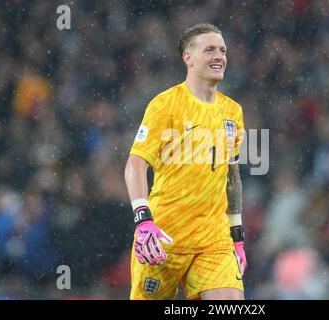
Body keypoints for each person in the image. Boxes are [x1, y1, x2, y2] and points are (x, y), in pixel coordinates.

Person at [124, 23, 246, 300]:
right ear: (188, 58)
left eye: (223, 50)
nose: (219, 56)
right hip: (164, 238)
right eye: (210, 49)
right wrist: (143, 220)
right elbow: (135, 165)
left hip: (213, 241)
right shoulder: (165, 104)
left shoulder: (233, 112)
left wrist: (236, 236)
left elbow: (232, 177)